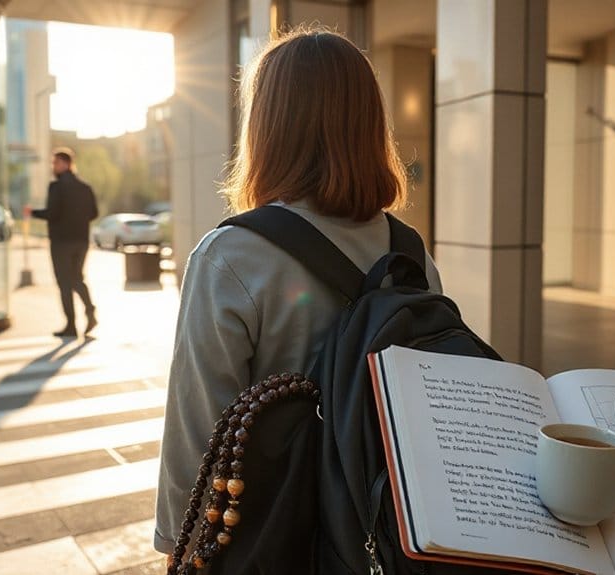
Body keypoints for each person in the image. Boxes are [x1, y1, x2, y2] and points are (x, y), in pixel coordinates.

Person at [154, 27, 445, 566]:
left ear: (266, 127)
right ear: (368, 126)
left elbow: (198, 433)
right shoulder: (410, 254)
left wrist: (180, 547)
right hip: (387, 537)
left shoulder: (232, 256)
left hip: (272, 538)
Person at [32, 147, 99, 337]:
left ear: (66, 164)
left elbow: (52, 213)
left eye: (55, 162)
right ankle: (90, 310)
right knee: (77, 278)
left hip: (61, 242)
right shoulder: (85, 187)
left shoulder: (57, 186)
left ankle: (71, 325)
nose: (53, 166)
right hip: (81, 240)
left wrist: (33, 212)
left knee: (64, 282)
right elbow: (94, 213)